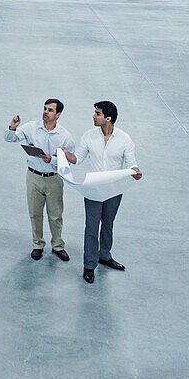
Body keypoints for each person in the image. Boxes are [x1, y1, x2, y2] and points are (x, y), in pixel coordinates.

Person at [62, 101, 142, 284]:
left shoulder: (124, 139)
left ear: (108, 118)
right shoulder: (89, 136)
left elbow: (132, 164)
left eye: (97, 114)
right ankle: (89, 265)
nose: (93, 116)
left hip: (114, 190)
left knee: (108, 224)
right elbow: (77, 159)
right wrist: (65, 153)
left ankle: (104, 255)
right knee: (91, 227)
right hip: (94, 190)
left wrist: (136, 172)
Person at [4, 99, 75, 262]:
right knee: (35, 213)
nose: (45, 112)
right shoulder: (31, 127)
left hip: (53, 179)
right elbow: (10, 139)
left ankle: (58, 245)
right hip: (33, 177)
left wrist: (53, 160)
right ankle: (38, 245)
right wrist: (12, 127)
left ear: (58, 115)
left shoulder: (64, 136)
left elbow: (70, 160)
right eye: (44, 108)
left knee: (55, 215)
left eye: (50, 110)